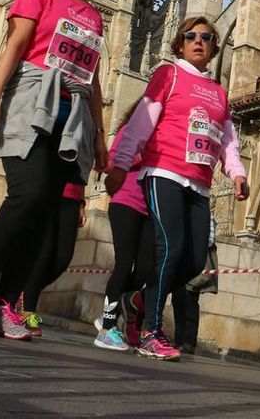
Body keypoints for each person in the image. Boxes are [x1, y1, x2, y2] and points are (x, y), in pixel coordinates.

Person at [0, 0, 108, 340]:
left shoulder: (95, 17)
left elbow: (93, 79)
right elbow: (16, 45)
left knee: (44, 213)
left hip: (73, 115)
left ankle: (9, 303)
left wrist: (99, 136)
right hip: (30, 99)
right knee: (27, 194)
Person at [104, 16, 250, 361]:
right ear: (180, 44)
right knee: (169, 246)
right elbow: (142, 121)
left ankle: (137, 300)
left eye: (206, 37)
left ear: (215, 47)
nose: (198, 40)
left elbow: (227, 141)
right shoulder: (167, 75)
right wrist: (120, 164)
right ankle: (151, 333)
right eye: (190, 36)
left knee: (193, 261)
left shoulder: (219, 93)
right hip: (163, 172)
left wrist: (237, 173)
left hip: (199, 185)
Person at [93, 102, 155, 352]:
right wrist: (145, 153)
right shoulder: (130, 131)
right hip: (126, 202)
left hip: (150, 208)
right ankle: (107, 326)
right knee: (123, 265)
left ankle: (119, 309)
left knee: (144, 269)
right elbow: (113, 161)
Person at [19, 182, 86, 336]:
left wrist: (81, 205)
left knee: (64, 258)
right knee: (44, 253)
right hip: (49, 191)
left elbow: (83, 172)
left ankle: (25, 292)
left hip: (73, 197)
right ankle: (28, 313)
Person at [173, 216, 218, 355]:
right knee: (177, 300)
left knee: (190, 301)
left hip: (195, 264)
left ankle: (189, 342)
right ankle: (178, 340)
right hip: (180, 262)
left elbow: (209, 241)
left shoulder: (207, 217)